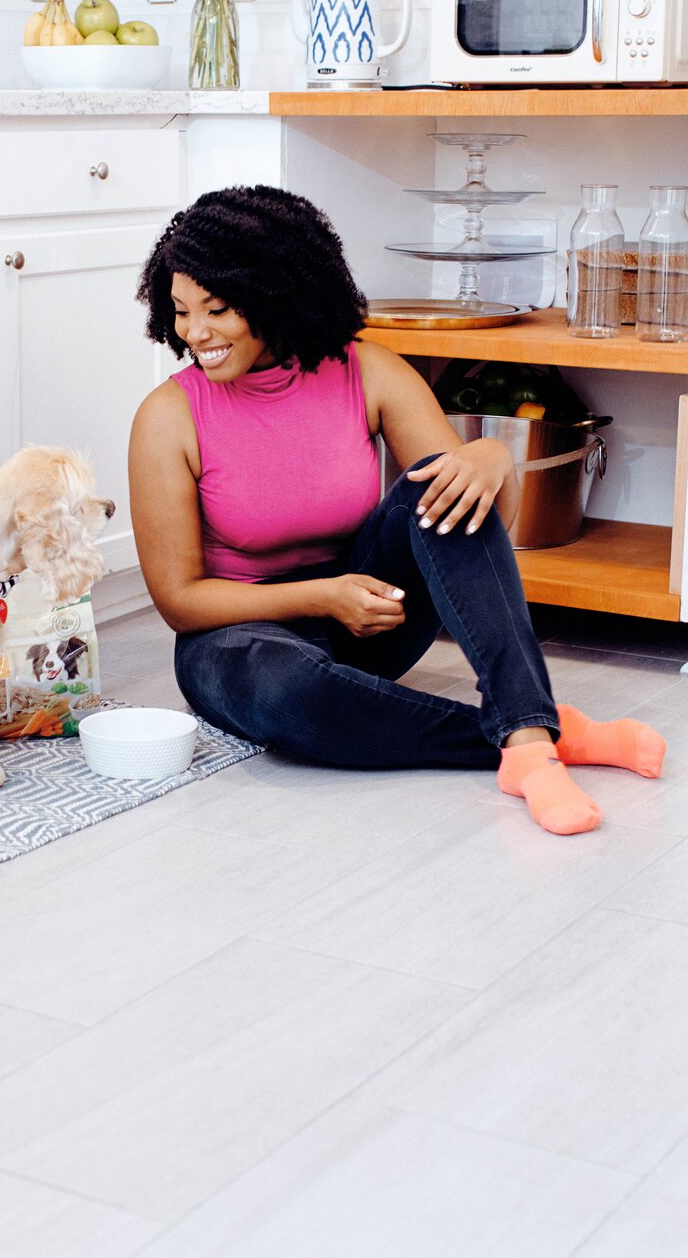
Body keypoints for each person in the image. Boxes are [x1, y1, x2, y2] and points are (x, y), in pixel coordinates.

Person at [128, 184, 666, 837]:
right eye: (181, 312)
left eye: (215, 309)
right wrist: (323, 596)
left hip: (368, 620)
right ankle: (531, 740)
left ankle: (525, 726)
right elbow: (180, 601)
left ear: (275, 291)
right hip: (239, 641)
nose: (194, 334)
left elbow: (473, 517)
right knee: (289, 698)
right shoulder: (169, 416)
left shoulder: (367, 371)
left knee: (440, 485)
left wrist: (493, 460)